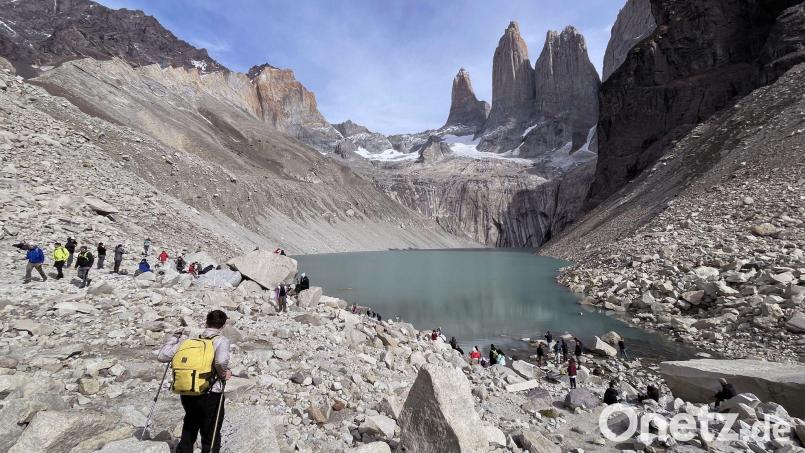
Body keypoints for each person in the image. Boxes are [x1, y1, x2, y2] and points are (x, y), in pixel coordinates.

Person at [158, 310, 232, 453]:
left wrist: (174, 338)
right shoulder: (221, 341)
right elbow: (221, 361)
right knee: (211, 431)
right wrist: (223, 374)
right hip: (211, 392)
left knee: (190, 424)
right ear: (223, 325)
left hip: (187, 390)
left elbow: (162, 356)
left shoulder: (189, 341)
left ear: (206, 322)